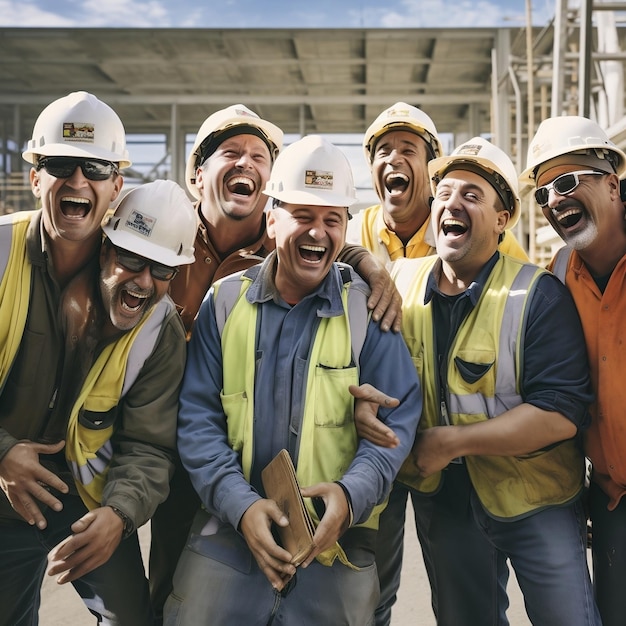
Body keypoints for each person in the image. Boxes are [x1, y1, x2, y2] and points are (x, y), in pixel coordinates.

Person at [149, 104, 405, 622]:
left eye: (331, 218)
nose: (316, 231)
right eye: (301, 215)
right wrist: (239, 506)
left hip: (332, 533)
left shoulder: (366, 310)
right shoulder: (201, 277)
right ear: (273, 217)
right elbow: (198, 416)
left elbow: (400, 418)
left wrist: (351, 495)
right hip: (208, 500)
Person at [364, 137, 600, 625]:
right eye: (445, 193)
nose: (452, 203)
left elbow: (560, 414)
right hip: (446, 504)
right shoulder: (399, 282)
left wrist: (452, 441)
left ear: (502, 219)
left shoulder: (536, 295)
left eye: (472, 195)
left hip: (536, 499)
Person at [348, 101, 529, 625]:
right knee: (363, 590)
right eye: (383, 151)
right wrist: (362, 260)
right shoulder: (352, 234)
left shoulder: (483, 234)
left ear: (430, 165)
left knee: (465, 598)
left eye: (409, 150)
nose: (393, 159)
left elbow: (520, 317)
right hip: (371, 444)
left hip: (448, 454)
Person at [0, 175, 196, 625]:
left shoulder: (159, 331)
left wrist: (119, 514)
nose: (143, 281)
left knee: (130, 618)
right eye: (131, 258)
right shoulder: (27, 279)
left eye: (163, 269)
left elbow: (150, 443)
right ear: (104, 248)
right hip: (3, 489)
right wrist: (4, 453)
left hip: (87, 500)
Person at [520, 116, 626, 626]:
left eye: (566, 182)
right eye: (543, 193)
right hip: (611, 503)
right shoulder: (557, 277)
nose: (554, 200)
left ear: (611, 183)